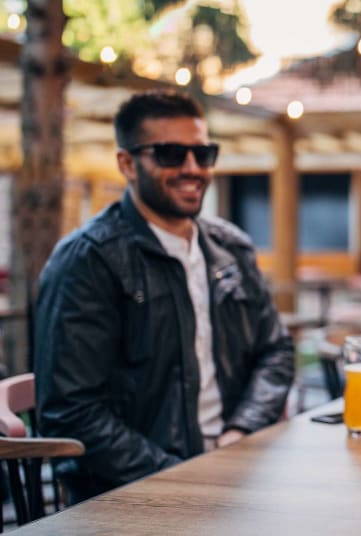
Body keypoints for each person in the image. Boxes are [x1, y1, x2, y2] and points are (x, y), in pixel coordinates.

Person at [34, 90, 294, 504]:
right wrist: (179, 476)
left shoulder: (232, 248)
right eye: (171, 154)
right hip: (132, 496)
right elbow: (70, 410)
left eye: (203, 153)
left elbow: (276, 350)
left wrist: (240, 432)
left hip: (240, 473)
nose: (193, 169)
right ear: (127, 163)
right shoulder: (89, 260)